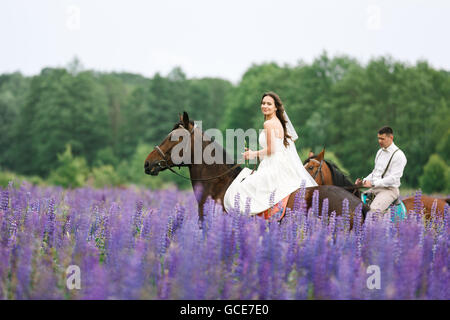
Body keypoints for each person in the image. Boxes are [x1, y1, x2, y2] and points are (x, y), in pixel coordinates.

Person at [223, 92, 317, 215]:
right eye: (263, 103)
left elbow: (271, 150)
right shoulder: (278, 122)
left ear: (276, 107)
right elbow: (278, 149)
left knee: (240, 189)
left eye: (269, 104)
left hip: (273, 166)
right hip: (277, 163)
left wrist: (253, 154)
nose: (265, 106)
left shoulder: (268, 124)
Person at [355, 126, 407, 213]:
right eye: (378, 138)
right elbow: (375, 173)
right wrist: (363, 181)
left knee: (372, 212)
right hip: (376, 188)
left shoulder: (399, 155)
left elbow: (393, 178)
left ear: (391, 138)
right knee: (355, 203)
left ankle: (378, 226)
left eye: (382, 139)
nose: (379, 141)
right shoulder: (380, 152)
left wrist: (372, 183)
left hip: (389, 191)